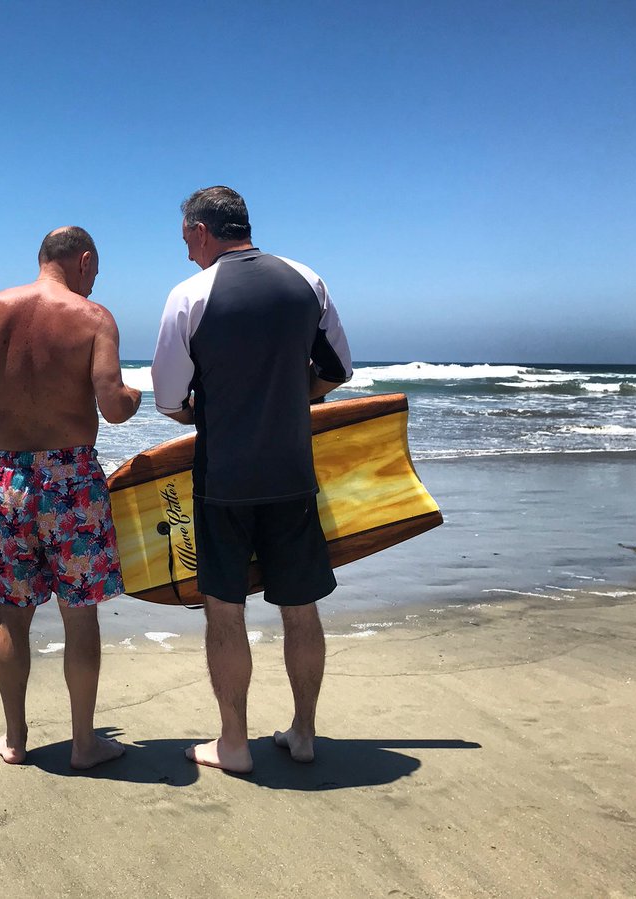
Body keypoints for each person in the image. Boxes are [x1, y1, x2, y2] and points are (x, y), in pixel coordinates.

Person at [151, 186, 352, 772]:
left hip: (223, 483)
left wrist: (206, 411)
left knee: (226, 613)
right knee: (300, 608)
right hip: (293, 476)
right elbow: (337, 369)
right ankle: (305, 733)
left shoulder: (190, 295)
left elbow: (167, 397)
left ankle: (234, 743)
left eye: (187, 239)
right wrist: (291, 395)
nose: (187, 251)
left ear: (201, 230)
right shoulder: (305, 279)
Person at [0, 226, 142, 770]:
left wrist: (17, 390)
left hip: (10, 479)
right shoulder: (93, 317)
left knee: (12, 613)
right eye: (96, 271)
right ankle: (85, 744)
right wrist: (133, 394)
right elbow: (113, 405)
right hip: (73, 482)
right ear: (83, 261)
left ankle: (15, 741)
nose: (94, 282)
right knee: (79, 614)